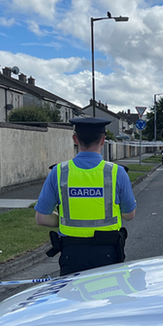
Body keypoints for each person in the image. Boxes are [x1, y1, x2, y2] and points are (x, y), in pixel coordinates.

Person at [35, 117, 137, 276]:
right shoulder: (117, 173)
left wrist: (65, 219)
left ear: (75, 139)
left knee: (74, 300)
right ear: (103, 140)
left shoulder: (59, 172)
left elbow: (41, 218)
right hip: (108, 254)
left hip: (72, 255)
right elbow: (129, 215)